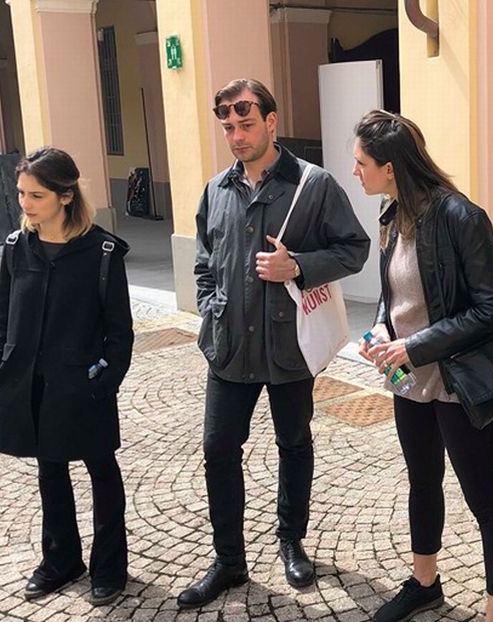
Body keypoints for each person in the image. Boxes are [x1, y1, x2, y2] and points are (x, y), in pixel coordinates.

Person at [178, 78, 370, 609]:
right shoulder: (217, 190)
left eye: (246, 124)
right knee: (219, 449)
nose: (237, 136)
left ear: (271, 122)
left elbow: (354, 248)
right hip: (230, 348)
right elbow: (204, 260)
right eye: (229, 127)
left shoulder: (313, 185)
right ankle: (228, 561)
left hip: (290, 349)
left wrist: (300, 266)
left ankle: (291, 540)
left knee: (294, 444)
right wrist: (211, 308)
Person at [353, 110, 493, 622]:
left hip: (457, 384)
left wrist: (416, 345)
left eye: (361, 162)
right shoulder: (391, 215)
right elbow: (395, 296)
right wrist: (383, 329)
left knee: (484, 499)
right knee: (422, 483)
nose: (354, 171)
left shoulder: (460, 217)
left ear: (390, 167)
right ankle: (424, 583)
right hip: (409, 384)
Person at [0, 147, 134, 606]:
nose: (25, 204)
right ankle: (61, 560)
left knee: (101, 471)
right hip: (31, 382)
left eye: (36, 195)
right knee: (50, 469)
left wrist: (104, 384)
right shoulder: (17, 247)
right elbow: (4, 312)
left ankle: (110, 567)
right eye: (22, 194)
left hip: (84, 385)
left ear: (65, 197)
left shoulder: (103, 252)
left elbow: (120, 332)